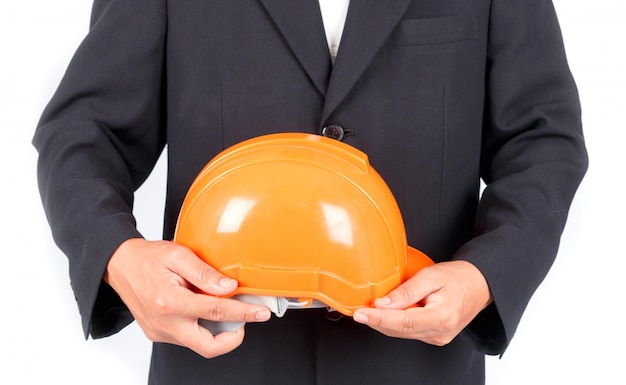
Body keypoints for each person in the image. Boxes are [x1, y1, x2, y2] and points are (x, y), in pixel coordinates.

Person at [33, 0, 588, 384]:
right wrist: (117, 255)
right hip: (220, 365)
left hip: (415, 370)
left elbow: (544, 140)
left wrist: (486, 277)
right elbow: (83, 132)